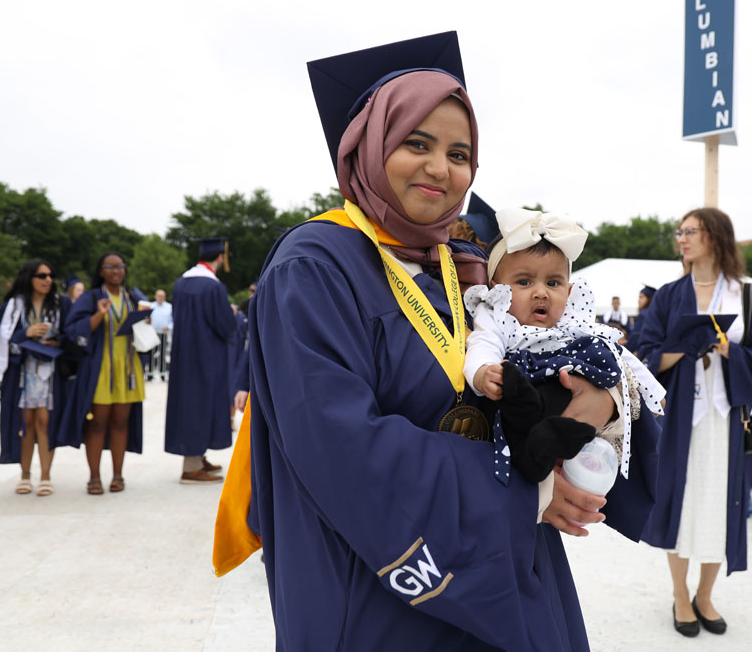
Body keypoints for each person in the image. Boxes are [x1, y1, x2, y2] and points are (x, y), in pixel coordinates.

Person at [234, 33, 660, 651]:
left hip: (504, 549)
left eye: (460, 152)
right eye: (416, 143)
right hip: (380, 574)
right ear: (369, 145)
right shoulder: (315, 266)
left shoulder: (464, 267)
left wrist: (600, 400)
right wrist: (527, 490)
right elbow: (336, 442)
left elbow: (558, 351)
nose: (441, 168)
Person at [638, 207, 752, 637]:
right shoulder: (668, 295)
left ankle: (705, 594)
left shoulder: (750, 298)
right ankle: (680, 594)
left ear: (715, 238)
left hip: (726, 420)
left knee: (721, 506)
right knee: (678, 505)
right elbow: (646, 354)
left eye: (690, 232)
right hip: (681, 418)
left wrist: (726, 349)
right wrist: (683, 346)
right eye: (679, 232)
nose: (681, 239)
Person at [462, 208, 665, 486]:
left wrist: (652, 392)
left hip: (566, 395)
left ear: (568, 292)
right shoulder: (498, 316)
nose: (541, 292)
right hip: (523, 397)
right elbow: (482, 343)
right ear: (497, 288)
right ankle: (542, 447)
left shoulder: (572, 322)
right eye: (524, 282)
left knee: (600, 352)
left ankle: (560, 437)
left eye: (553, 282)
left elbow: (621, 355)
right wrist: (482, 372)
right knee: (518, 394)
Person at [60, 253, 146, 495]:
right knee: (97, 423)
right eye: (110, 266)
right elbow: (73, 329)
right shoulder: (92, 297)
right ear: (101, 271)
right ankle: (94, 477)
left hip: (127, 366)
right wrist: (99, 314)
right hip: (101, 367)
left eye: (120, 266)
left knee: (120, 422)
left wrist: (145, 323)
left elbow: (140, 329)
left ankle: (118, 476)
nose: (116, 270)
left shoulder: (132, 297)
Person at [0, 260, 71, 496]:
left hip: (50, 370)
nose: (48, 280)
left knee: (45, 422)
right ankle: (25, 475)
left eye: (50, 275)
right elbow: (2, 337)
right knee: (24, 423)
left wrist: (57, 341)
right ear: (29, 278)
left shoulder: (61, 303)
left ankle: (46, 475)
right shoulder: (13, 306)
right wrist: (25, 333)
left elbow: (71, 333)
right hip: (22, 370)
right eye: (42, 275)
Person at [165, 238, 237, 484]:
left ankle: (198, 455)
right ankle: (191, 466)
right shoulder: (213, 287)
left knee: (190, 403)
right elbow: (225, 325)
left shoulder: (181, 283)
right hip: (207, 355)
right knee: (201, 404)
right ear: (220, 257)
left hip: (184, 354)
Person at [146, 289, 172, 382]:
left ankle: (162, 373)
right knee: (151, 354)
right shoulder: (151, 306)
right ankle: (150, 373)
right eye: (159, 296)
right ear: (155, 296)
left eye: (162, 296)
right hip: (152, 333)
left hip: (163, 333)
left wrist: (168, 327)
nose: (160, 298)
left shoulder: (169, 307)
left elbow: (172, 320)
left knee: (162, 353)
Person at [626, 284, 657, 352]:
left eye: (641, 297)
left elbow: (636, 335)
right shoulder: (656, 314)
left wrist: (627, 349)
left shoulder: (644, 314)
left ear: (649, 298)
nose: (638, 300)